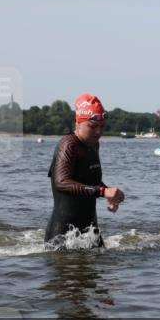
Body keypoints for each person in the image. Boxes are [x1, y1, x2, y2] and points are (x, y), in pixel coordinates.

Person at [45, 94, 125, 247]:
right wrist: (102, 192)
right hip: (63, 234)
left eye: (102, 126)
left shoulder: (94, 145)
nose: (98, 132)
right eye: (93, 127)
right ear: (78, 123)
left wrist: (109, 193)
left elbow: (90, 180)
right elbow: (61, 182)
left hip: (89, 230)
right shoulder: (68, 145)